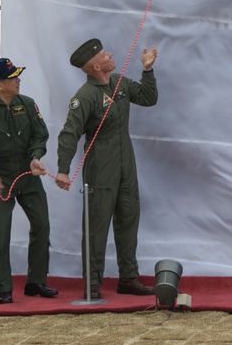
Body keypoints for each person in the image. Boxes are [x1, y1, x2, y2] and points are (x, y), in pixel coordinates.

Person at [55, 39, 158, 299]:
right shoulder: (85, 97)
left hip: (126, 162)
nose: (110, 54)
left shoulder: (120, 84)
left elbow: (148, 98)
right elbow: (69, 134)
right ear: (96, 66)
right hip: (101, 164)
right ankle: (92, 283)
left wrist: (147, 70)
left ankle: (128, 278)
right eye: (104, 54)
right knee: (97, 225)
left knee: (128, 219)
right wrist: (63, 169)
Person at [0, 58, 58, 305]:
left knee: (41, 225)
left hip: (28, 175)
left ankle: (36, 282)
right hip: (1, 178)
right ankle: (4, 287)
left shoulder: (28, 105)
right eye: (13, 77)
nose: (18, 80)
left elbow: (40, 134)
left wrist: (35, 157)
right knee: (0, 234)